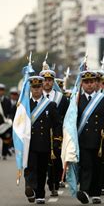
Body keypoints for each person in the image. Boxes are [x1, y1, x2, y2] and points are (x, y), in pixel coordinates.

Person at [75, 71, 104, 205]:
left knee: (98, 166)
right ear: (82, 84)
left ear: (96, 83)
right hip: (83, 139)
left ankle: (96, 192)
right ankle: (84, 191)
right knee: (86, 165)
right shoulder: (77, 99)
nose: (89, 85)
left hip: (100, 140)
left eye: (91, 82)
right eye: (86, 82)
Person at [24, 76, 62, 204]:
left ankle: (40, 194)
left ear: (42, 88)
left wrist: (57, 138)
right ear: (30, 88)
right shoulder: (25, 105)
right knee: (30, 168)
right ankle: (30, 188)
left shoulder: (50, 105)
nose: (36, 90)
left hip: (44, 143)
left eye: (38, 87)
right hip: (29, 143)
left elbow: (57, 124)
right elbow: (19, 123)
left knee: (41, 170)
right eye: (34, 87)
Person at [40, 63, 70, 196]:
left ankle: (53, 183)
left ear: (53, 82)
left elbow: (67, 115)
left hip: (56, 134)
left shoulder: (61, 98)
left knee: (56, 161)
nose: (47, 83)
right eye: (45, 80)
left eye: (50, 80)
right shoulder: (35, 97)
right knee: (41, 161)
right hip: (40, 134)